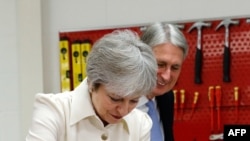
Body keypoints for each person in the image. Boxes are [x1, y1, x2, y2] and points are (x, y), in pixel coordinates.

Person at [26, 29, 158, 141]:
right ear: (92, 83)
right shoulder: (54, 110)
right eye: (115, 98)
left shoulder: (140, 124)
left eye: (134, 101)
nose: (123, 110)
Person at [137, 22, 189, 141]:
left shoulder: (166, 98)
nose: (166, 76)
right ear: (141, 57)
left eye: (175, 67)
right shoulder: (116, 102)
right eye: (160, 64)